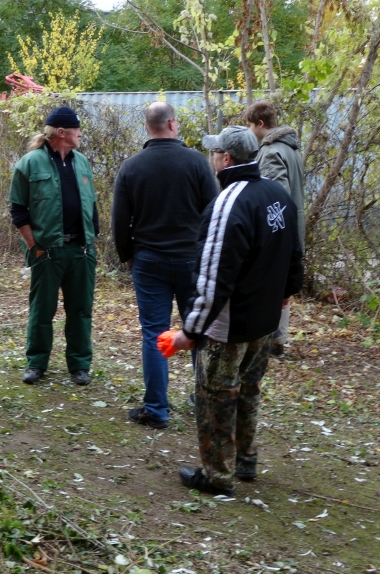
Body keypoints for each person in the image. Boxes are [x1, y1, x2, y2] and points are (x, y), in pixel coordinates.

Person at [170, 125, 303, 496]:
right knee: (249, 390)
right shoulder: (276, 195)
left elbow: (213, 276)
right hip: (264, 320)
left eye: (214, 153)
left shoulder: (228, 203)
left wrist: (192, 330)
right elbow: (295, 252)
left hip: (229, 326)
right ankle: (246, 461)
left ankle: (217, 475)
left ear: (225, 159)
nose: (212, 158)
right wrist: (286, 294)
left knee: (217, 393)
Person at [112, 102, 218, 429]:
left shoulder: (131, 167)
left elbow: (119, 221)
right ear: (172, 124)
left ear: (147, 127)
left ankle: (156, 409)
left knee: (154, 333)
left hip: (149, 261)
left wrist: (128, 255)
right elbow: (214, 214)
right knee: (197, 330)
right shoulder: (198, 162)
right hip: (192, 262)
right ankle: (206, 404)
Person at [8, 106, 99, 386]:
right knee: (42, 310)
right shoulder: (30, 163)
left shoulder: (81, 162)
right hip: (46, 252)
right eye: (77, 129)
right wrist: (33, 244)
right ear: (62, 133)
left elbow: (92, 206)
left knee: (81, 311)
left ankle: (80, 365)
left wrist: (92, 238)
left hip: (81, 252)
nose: (81, 133)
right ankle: (36, 363)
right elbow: (18, 209)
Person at [243, 100, 305, 356]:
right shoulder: (291, 149)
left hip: (279, 228)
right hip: (294, 225)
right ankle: (278, 339)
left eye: (248, 125)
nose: (247, 131)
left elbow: (275, 196)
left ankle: (273, 340)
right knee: (283, 281)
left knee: (273, 279)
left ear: (260, 123)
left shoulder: (270, 152)